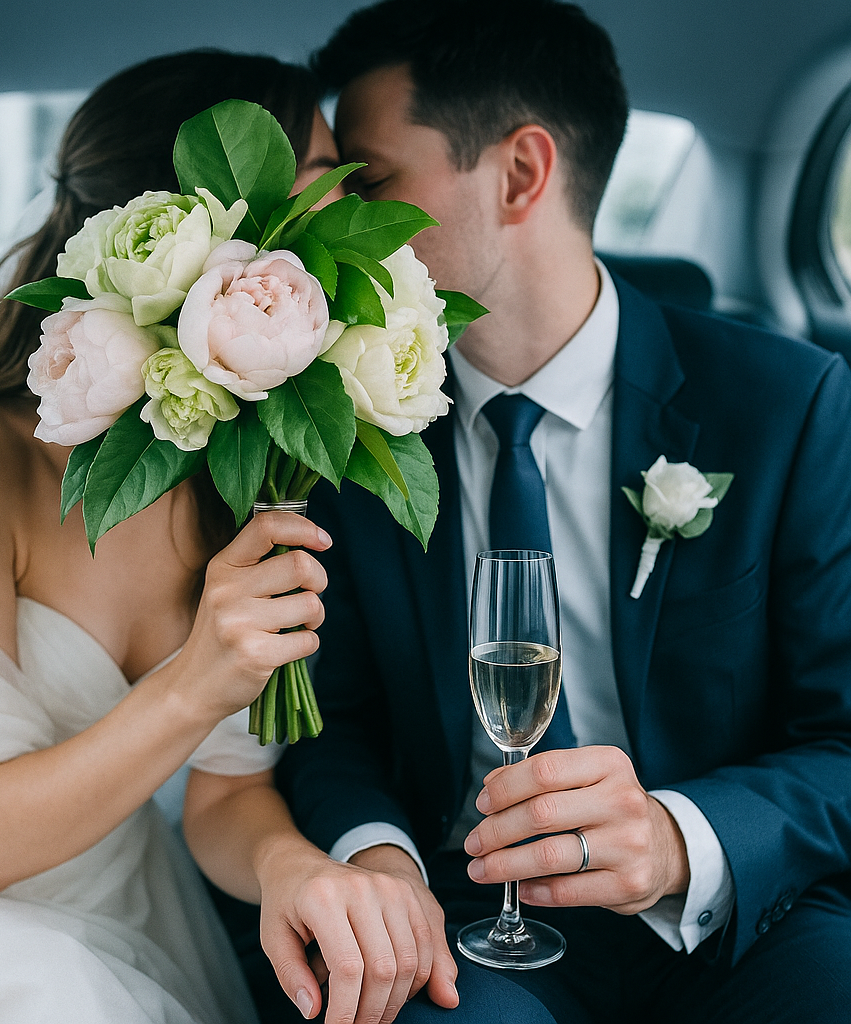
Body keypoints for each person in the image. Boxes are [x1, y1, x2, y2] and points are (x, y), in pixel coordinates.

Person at [253, 2, 851, 1022]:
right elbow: (329, 721)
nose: (331, 223)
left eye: (371, 182)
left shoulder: (788, 407)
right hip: (458, 917)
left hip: (744, 913)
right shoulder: (337, 424)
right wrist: (380, 858)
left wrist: (680, 838)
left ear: (521, 173)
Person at [0, 50, 346, 1024]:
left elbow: (225, 798)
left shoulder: (258, 453)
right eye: (319, 186)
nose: (345, 228)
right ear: (202, 228)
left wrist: (294, 867)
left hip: (131, 907)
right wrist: (197, 679)